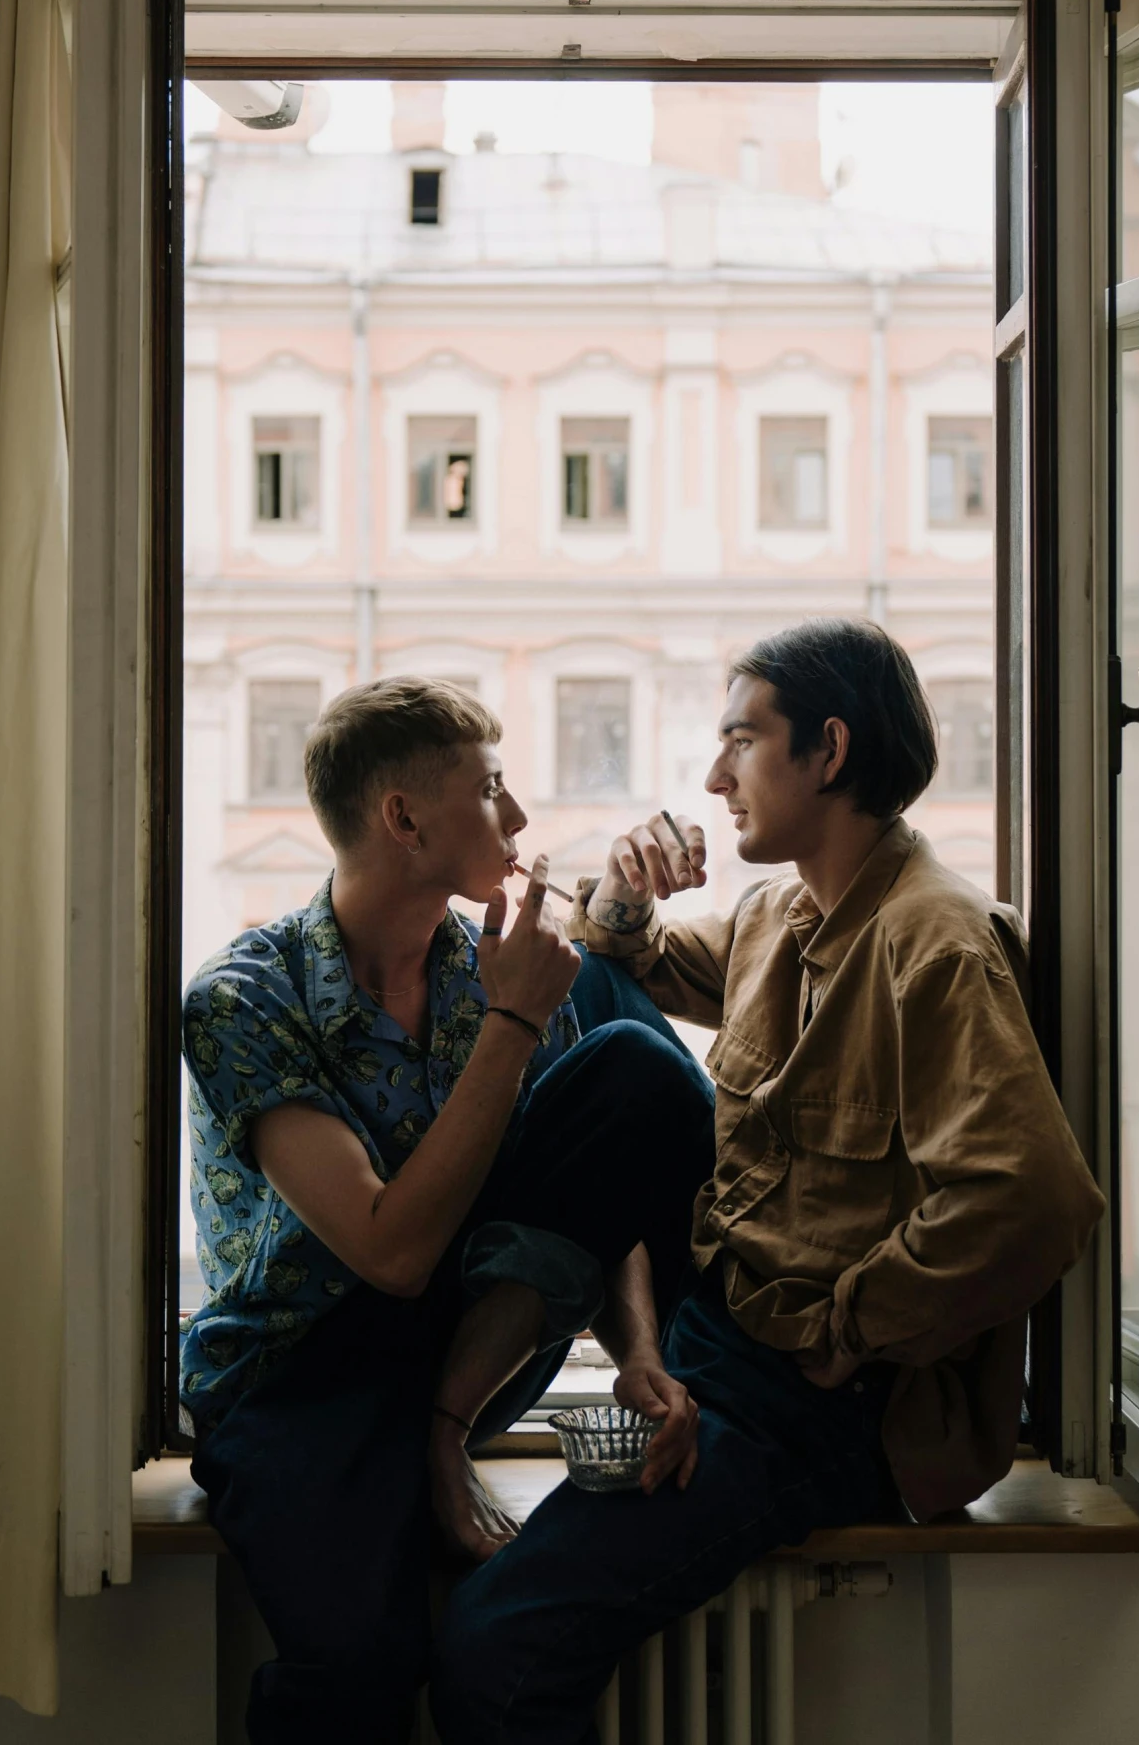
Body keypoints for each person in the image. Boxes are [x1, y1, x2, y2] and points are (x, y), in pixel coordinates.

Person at [433, 618, 1105, 1743]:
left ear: (827, 750)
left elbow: (1035, 1201)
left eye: (741, 741)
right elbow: (623, 956)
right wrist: (632, 893)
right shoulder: (780, 913)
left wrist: (849, 1326)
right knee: (614, 1020)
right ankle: (530, 1370)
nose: (712, 776)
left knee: (491, 1646)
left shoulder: (933, 943)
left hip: (816, 1395)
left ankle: (476, 1372)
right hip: (724, 1320)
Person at [180, 676, 715, 1745]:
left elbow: (590, 1174)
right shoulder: (245, 996)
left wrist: (638, 1351)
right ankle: (430, 1439)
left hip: (463, 1340)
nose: (516, 818)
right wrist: (516, 1014)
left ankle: (443, 1424)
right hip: (302, 1369)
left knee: (633, 1063)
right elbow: (388, 1251)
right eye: (492, 787)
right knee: (358, 1666)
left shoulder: (489, 966)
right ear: (404, 818)